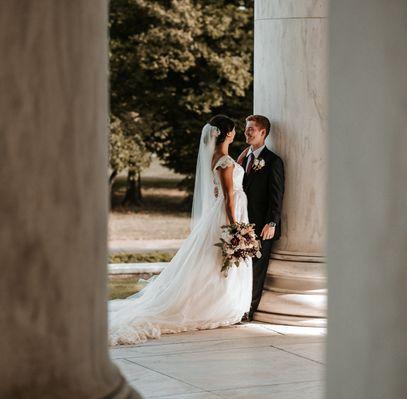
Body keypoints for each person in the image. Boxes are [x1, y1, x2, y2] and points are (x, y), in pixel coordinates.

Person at [108, 115, 252, 346]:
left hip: (225, 212)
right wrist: (235, 225)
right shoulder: (224, 161)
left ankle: (220, 301)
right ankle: (215, 305)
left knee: (213, 261)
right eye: (234, 130)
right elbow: (228, 196)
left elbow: (221, 190)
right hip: (228, 215)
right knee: (217, 260)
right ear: (227, 134)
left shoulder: (219, 157)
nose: (236, 133)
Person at [237, 115, 285, 321]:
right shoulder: (242, 158)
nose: (247, 133)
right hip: (241, 223)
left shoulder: (273, 161)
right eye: (246, 129)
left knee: (256, 270)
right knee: (239, 268)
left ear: (263, 132)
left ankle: (248, 310)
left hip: (263, 226)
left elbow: (277, 195)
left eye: (251, 130)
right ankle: (236, 305)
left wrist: (272, 222)